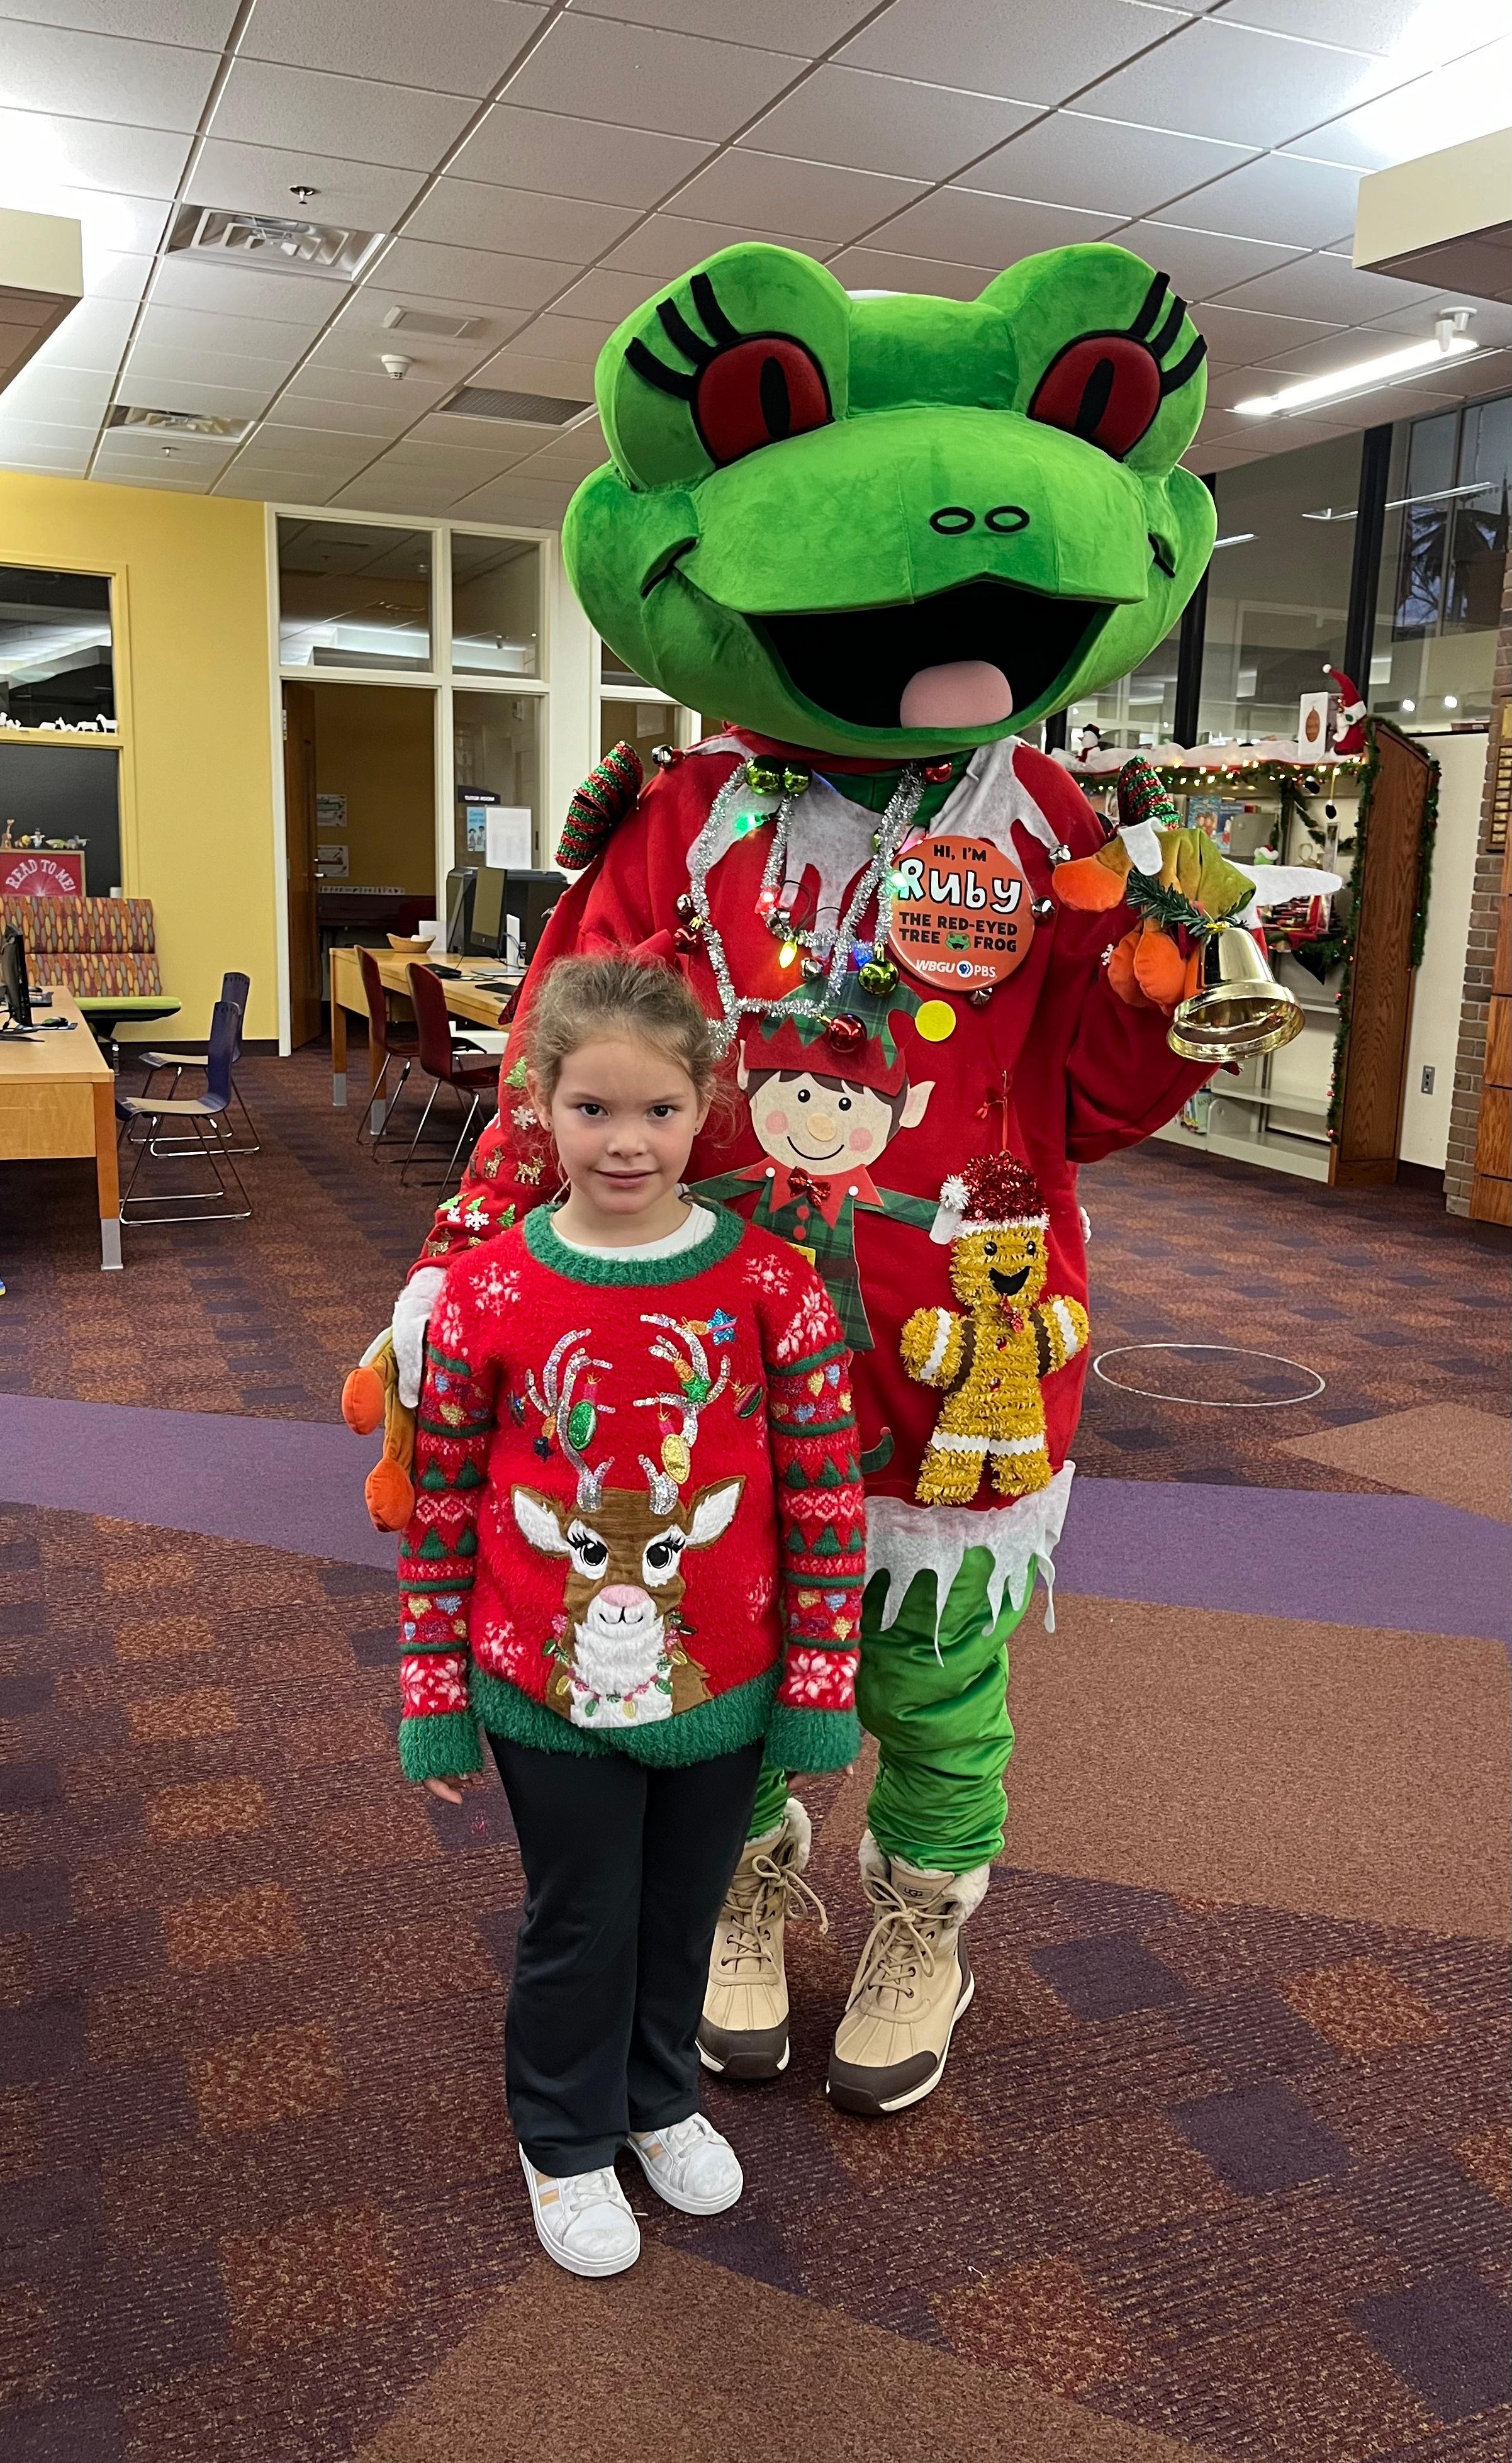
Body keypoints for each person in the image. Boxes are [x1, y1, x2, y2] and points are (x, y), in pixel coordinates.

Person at [396, 955, 863, 2277]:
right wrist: (434, 1698)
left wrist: (818, 1680)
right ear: (536, 1105)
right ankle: (562, 2136)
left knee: (687, 1905)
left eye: (657, 1110)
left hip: (724, 1673)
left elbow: (824, 1494)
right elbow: (440, 1509)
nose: (625, 1140)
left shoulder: (772, 1283)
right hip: (543, 1686)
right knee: (581, 1914)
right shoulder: (485, 1290)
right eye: (592, 1109)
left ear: (704, 1106)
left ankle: (656, 2099)